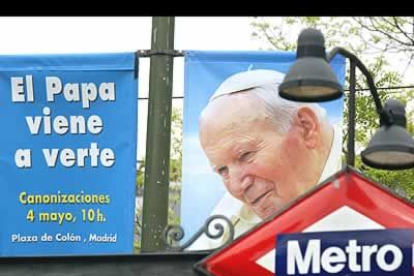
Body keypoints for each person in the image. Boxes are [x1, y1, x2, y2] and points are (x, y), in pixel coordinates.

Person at [187, 69, 342, 250]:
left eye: (245, 155)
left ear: (306, 128)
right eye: (223, 170)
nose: (237, 187)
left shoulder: (371, 164)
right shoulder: (226, 227)